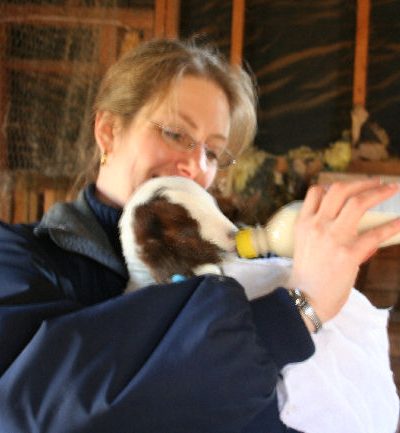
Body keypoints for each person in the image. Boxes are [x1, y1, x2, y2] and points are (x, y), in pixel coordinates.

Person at [0, 38, 399, 433]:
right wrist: (296, 311)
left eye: (212, 152)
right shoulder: (19, 261)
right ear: (108, 131)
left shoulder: (247, 267)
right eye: (175, 133)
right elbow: (35, 411)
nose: (194, 164)